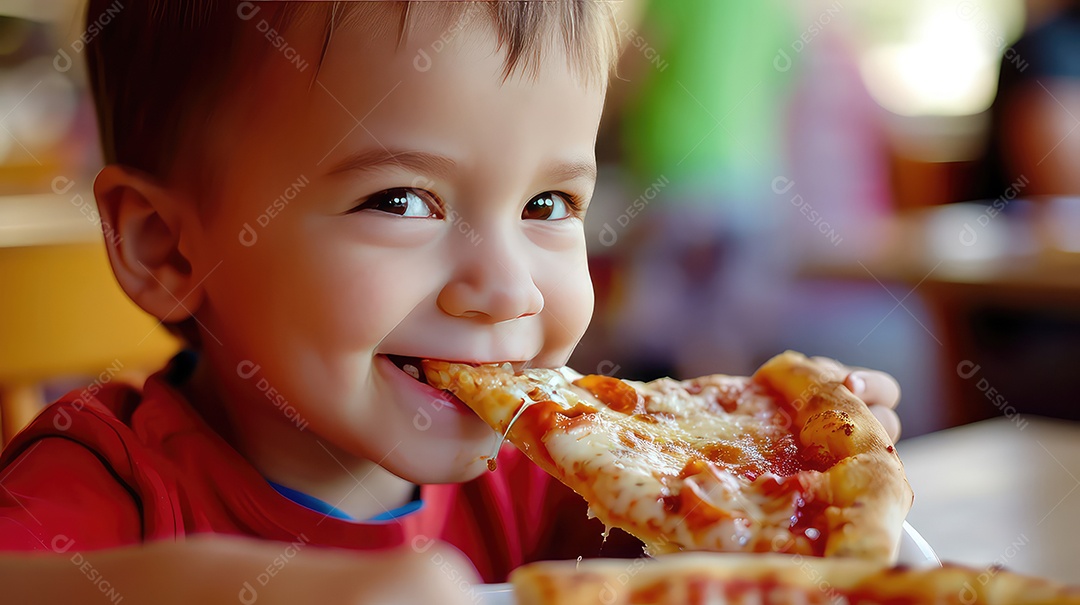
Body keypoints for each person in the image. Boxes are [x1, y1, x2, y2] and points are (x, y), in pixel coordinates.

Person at [0, 2, 902, 603]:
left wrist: (774, 467)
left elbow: (724, 565)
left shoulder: (545, 480)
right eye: (401, 201)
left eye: (549, 206)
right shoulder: (104, 483)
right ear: (167, 247)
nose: (506, 287)